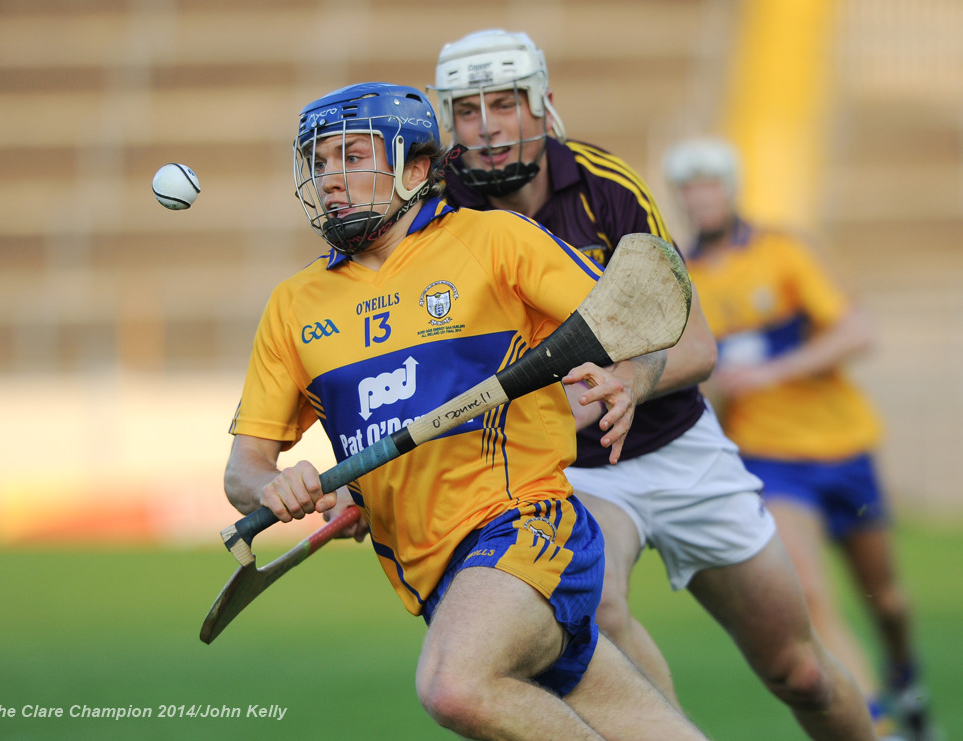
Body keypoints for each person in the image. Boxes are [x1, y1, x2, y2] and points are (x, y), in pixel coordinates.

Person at [223, 80, 708, 740]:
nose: (331, 178)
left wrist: (628, 376)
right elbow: (243, 466)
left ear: (416, 168)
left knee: (454, 684)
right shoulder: (294, 305)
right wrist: (275, 484)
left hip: (527, 523)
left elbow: (633, 310)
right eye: (321, 161)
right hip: (440, 576)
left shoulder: (495, 242)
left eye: (353, 157)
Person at [430, 28, 877, 741]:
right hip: (575, 471)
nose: (487, 128)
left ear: (543, 106)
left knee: (800, 670)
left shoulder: (607, 190)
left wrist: (631, 381)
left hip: (678, 444)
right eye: (468, 110)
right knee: (597, 608)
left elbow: (697, 343)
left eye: (505, 103)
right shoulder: (438, 219)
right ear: (446, 122)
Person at [665, 135, 935, 741]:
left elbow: (856, 331)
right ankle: (880, 727)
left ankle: (906, 678)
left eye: (710, 183)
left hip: (844, 447)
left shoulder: (783, 253)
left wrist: (771, 371)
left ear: (730, 188)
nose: (700, 196)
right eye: (689, 187)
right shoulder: (680, 277)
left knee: (886, 599)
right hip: (769, 458)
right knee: (809, 593)